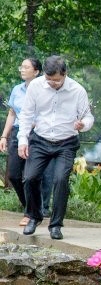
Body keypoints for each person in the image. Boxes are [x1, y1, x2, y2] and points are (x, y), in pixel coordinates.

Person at [17, 55, 94, 241]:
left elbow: (88, 117)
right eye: (49, 79)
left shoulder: (77, 90)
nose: (52, 83)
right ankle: (34, 217)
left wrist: (82, 125)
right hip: (40, 139)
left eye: (56, 80)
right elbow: (26, 115)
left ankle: (56, 225)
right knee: (29, 178)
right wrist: (22, 140)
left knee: (60, 180)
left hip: (66, 142)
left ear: (65, 74)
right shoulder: (36, 86)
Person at [1, 58, 56, 226]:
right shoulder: (17, 89)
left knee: (32, 175)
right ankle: (32, 207)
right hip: (18, 133)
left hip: (38, 134)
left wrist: (34, 124)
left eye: (26, 67)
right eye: (21, 66)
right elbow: (12, 113)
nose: (22, 70)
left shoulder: (44, 89)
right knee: (14, 175)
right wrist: (4, 136)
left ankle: (31, 213)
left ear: (37, 71)